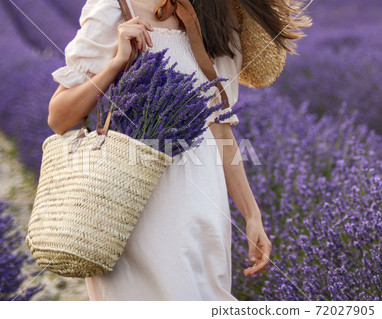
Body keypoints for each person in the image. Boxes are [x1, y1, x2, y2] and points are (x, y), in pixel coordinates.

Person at [48, 0, 273, 301]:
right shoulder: (113, 9)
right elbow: (59, 118)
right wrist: (116, 62)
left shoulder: (217, 19)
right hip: (130, 213)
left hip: (202, 213)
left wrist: (251, 214)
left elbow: (220, 130)